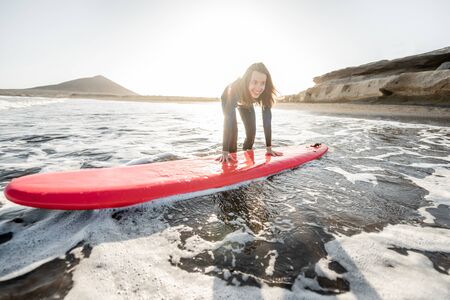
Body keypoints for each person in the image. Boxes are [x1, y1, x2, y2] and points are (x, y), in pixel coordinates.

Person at [217, 62, 283, 163]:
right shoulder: (235, 88)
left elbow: (267, 120)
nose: (258, 88)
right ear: (247, 80)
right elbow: (228, 119)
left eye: (262, 83)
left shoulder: (265, 92)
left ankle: (246, 152)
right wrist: (225, 151)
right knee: (233, 132)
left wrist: (269, 148)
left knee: (252, 132)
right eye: (254, 82)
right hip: (228, 99)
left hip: (246, 102)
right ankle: (230, 157)